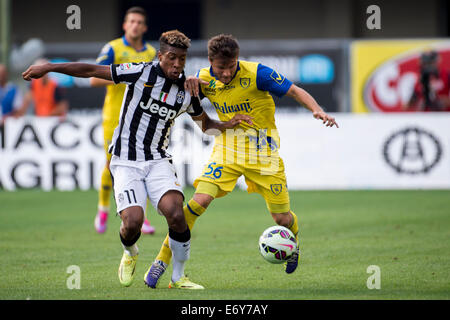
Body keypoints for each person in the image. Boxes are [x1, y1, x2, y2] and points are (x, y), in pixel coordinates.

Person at [22, 30, 252, 289]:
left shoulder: (186, 92)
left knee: (176, 215)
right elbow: (90, 70)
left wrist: (229, 124)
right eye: (172, 58)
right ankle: (130, 252)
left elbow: (206, 126)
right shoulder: (140, 72)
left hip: (157, 161)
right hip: (125, 161)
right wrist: (49, 67)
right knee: (132, 223)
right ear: (160, 55)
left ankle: (178, 277)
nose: (177, 65)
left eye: (182, 59)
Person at [145, 34, 338, 288]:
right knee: (196, 204)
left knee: (282, 219)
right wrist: (189, 87)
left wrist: (317, 109)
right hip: (227, 152)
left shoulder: (258, 73)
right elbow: (191, 112)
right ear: (210, 62)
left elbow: (293, 90)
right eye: (221, 68)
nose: (226, 73)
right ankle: (160, 262)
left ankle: (294, 241)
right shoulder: (202, 79)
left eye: (231, 65)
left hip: (264, 155)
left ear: (238, 59)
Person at [91, 6, 157, 234]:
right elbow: (94, 79)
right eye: (132, 21)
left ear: (145, 27)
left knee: (144, 165)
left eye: (139, 22)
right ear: (125, 25)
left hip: (140, 118)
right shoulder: (113, 48)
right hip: (113, 116)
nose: (135, 25)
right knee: (111, 165)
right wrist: (125, 76)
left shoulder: (151, 52)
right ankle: (102, 210)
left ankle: (143, 218)